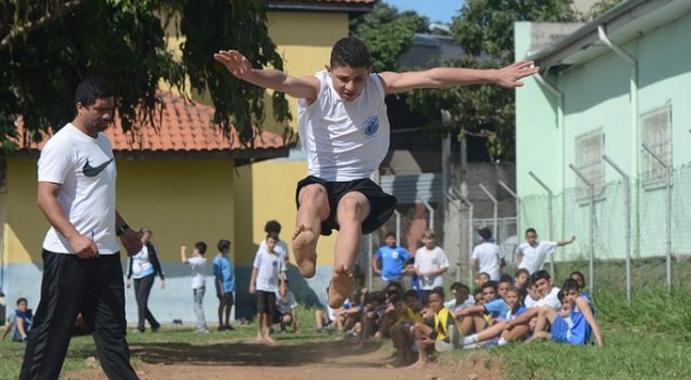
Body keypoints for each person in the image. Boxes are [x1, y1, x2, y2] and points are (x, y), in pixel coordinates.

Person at [214, 37, 537, 307]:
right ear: (329, 70)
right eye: (343, 78)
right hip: (321, 177)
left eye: (358, 78)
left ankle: (340, 278)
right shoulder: (317, 88)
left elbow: (434, 77)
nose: (350, 86)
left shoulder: (379, 85)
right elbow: (282, 80)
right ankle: (306, 253)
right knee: (311, 195)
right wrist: (250, 74)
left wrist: (494, 74)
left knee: (350, 207)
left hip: (358, 181)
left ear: (369, 71)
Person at [9, 77, 173, 380]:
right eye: (100, 110)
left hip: (106, 255)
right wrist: (74, 237)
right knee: (51, 333)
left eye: (110, 109)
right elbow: (45, 197)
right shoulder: (62, 144)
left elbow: (99, 201)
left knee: (113, 335)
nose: (107, 116)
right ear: (80, 106)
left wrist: (124, 231)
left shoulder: (104, 144)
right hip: (67, 256)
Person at [532, 279, 603, 346]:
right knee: (545, 310)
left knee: (540, 333)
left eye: (572, 293)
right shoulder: (577, 302)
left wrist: (601, 345)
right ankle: (532, 341)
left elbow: (593, 323)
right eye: (567, 294)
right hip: (570, 334)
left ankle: (529, 343)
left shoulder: (580, 301)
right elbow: (567, 314)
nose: (569, 297)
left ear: (579, 291)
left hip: (572, 339)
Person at [126, 228, 165, 333]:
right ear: (141, 236)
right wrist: (128, 277)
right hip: (136, 276)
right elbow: (130, 261)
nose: (148, 239)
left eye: (149, 238)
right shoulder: (133, 247)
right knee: (140, 302)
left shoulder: (151, 247)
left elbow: (157, 261)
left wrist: (162, 277)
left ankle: (140, 327)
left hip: (148, 274)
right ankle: (154, 324)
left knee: (142, 300)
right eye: (146, 237)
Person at [251, 234, 287, 343]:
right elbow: (255, 269)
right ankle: (259, 332)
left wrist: (282, 285)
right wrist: (252, 284)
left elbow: (282, 272)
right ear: (266, 242)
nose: (272, 244)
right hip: (261, 286)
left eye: (274, 242)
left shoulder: (279, 256)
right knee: (260, 311)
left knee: (270, 312)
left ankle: (267, 334)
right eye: (270, 242)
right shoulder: (260, 254)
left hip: (273, 287)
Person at [413, 229, 450, 303]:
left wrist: (432, 273)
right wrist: (418, 272)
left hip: (435, 283)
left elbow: (445, 266)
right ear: (423, 240)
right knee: (425, 303)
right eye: (426, 239)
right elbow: (416, 266)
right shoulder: (419, 252)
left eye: (430, 239)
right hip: (423, 283)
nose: (429, 241)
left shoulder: (438, 251)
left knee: (436, 302)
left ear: (434, 239)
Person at [182, 241, 209, 333]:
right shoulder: (201, 260)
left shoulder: (198, 260)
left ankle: (202, 326)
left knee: (198, 306)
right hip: (199, 286)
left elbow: (184, 261)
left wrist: (183, 250)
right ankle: (201, 325)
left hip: (198, 286)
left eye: (194, 249)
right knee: (196, 306)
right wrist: (193, 254)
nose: (193, 250)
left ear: (197, 250)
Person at [214, 239, 235, 331]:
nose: (230, 249)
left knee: (230, 303)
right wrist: (221, 289)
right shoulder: (217, 260)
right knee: (223, 304)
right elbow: (218, 276)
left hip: (230, 285)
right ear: (224, 249)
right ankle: (221, 324)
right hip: (223, 285)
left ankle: (227, 323)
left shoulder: (226, 257)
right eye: (228, 248)